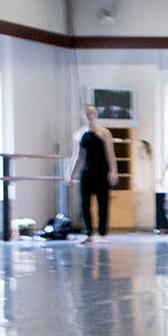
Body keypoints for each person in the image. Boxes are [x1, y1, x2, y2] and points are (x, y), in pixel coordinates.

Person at [68, 103, 118, 244]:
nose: (90, 115)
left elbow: (110, 153)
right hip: (87, 172)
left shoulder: (104, 133)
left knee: (102, 204)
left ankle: (102, 234)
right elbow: (77, 156)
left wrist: (113, 171)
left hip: (102, 172)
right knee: (85, 204)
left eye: (92, 112)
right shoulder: (79, 134)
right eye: (87, 113)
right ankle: (88, 233)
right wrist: (70, 174)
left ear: (95, 114)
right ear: (83, 115)